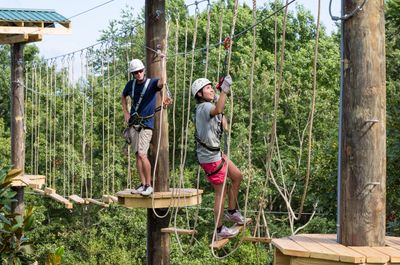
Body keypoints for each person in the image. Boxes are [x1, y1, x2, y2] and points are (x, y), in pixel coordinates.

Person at [191, 75, 246, 239]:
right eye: (207, 88)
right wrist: (224, 90)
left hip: (216, 154)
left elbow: (221, 115)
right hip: (210, 158)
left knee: (237, 176)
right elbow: (218, 110)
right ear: (200, 94)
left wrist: (218, 93)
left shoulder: (208, 105)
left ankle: (231, 211)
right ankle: (219, 230)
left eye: (211, 87)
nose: (211, 89)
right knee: (220, 192)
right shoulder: (203, 108)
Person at [121, 58, 164, 196]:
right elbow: (123, 96)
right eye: (135, 72)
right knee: (137, 155)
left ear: (144, 70)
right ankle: (143, 183)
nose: (138, 74)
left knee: (142, 154)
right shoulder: (131, 85)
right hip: (134, 123)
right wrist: (125, 112)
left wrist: (162, 63)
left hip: (146, 124)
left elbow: (162, 83)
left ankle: (149, 185)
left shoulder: (151, 83)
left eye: (140, 71)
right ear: (132, 74)